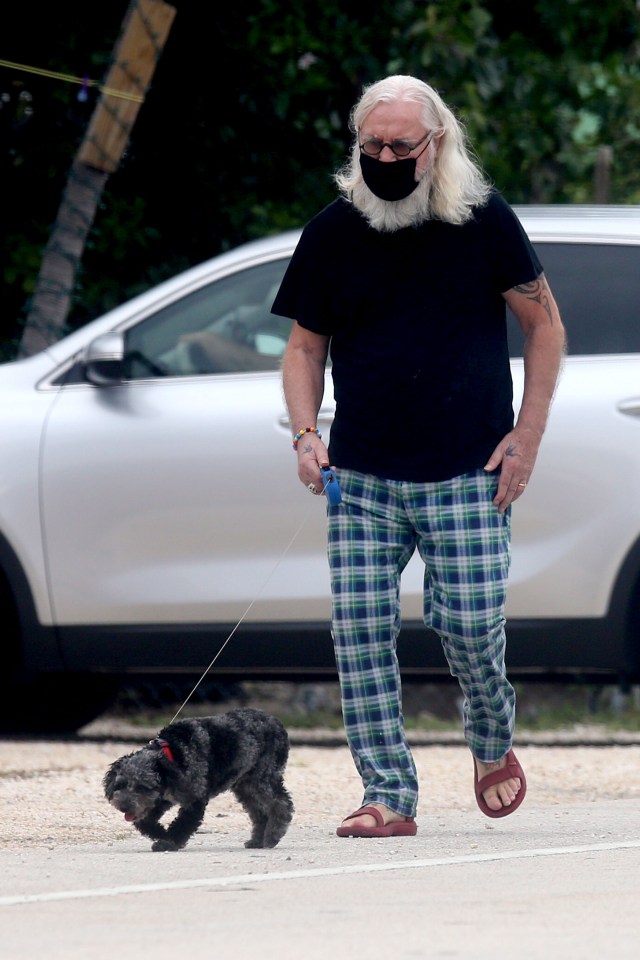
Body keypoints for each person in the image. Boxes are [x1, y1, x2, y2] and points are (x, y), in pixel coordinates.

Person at [273, 74, 566, 838]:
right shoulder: (333, 231)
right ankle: (387, 792)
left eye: (402, 144)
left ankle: (491, 738)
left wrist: (527, 436)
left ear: (436, 145)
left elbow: (545, 327)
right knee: (360, 629)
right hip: (363, 474)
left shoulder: (482, 221)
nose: (386, 155)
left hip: (470, 467)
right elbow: (305, 347)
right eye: (372, 144)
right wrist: (307, 434)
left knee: (469, 624)